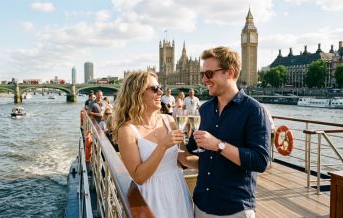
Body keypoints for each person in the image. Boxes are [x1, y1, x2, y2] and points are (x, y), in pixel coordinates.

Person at [186, 46, 271, 217]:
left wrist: (218, 145)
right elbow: (193, 151)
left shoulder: (254, 111)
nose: (203, 80)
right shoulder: (205, 110)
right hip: (201, 205)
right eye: (203, 74)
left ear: (230, 73)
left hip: (234, 209)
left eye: (209, 74)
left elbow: (261, 161)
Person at [111, 71, 195, 218]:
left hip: (177, 191)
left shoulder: (169, 121)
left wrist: (217, 160)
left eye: (160, 88)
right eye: (154, 88)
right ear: (137, 93)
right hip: (151, 197)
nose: (161, 92)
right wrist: (162, 146)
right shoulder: (127, 131)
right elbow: (139, 176)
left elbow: (185, 158)